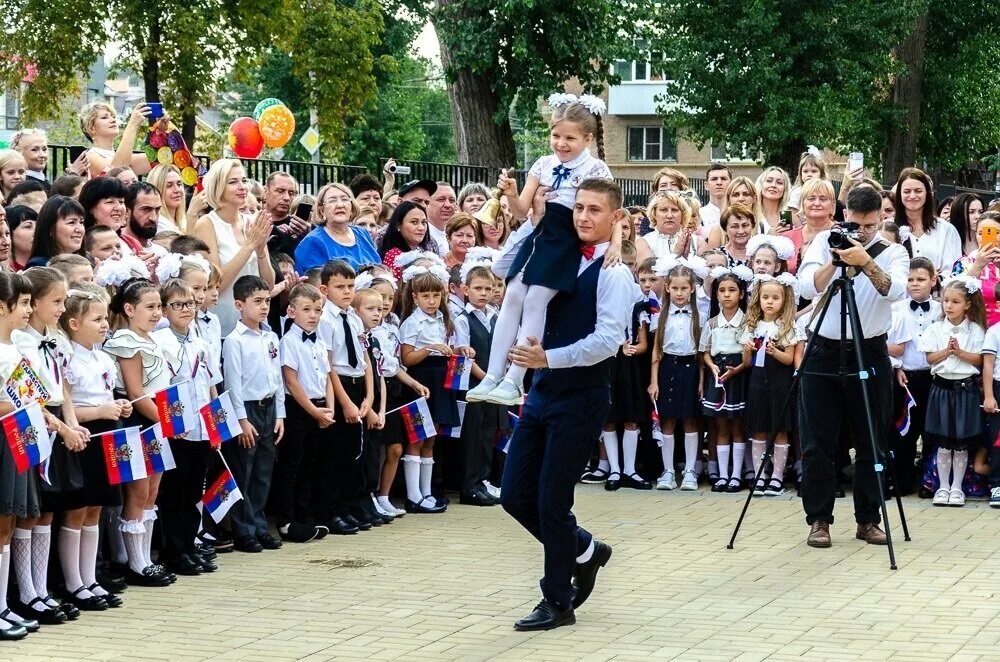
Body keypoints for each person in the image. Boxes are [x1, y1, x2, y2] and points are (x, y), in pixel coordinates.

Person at [499, 178, 635, 631]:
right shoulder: (555, 252)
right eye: (577, 208)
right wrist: (532, 223)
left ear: (615, 219)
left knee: (552, 500)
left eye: (595, 210)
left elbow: (608, 340)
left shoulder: (614, 273)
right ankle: (584, 549)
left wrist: (548, 358)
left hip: (582, 396)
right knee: (515, 495)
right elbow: (502, 268)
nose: (582, 217)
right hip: (540, 393)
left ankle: (558, 600)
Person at [466, 93, 616, 407]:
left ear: (587, 138)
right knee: (512, 297)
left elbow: (613, 212)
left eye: (570, 138)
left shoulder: (596, 168)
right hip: (538, 233)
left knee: (535, 300)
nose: (561, 143)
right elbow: (522, 211)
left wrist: (614, 244)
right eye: (555, 135)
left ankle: (515, 379)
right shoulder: (543, 164)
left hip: (564, 238)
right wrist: (510, 194)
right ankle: (493, 373)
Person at [797, 186, 909, 548]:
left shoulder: (893, 251)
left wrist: (865, 260)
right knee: (817, 441)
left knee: (871, 441)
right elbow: (806, 286)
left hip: (870, 349)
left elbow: (894, 291)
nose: (861, 232)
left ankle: (868, 519)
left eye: (869, 226)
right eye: (855, 225)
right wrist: (836, 259)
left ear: (881, 220)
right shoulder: (822, 243)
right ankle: (818, 520)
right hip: (823, 349)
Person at [102, 278, 173, 586]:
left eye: (159, 306)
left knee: (152, 492)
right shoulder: (125, 341)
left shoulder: (152, 338)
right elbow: (135, 392)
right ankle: (134, 562)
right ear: (129, 309)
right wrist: (165, 422)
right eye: (149, 307)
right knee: (137, 491)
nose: (156, 313)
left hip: (157, 421)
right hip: (137, 422)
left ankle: (145, 558)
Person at [152, 277, 219, 574]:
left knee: (195, 489)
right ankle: (173, 550)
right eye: (177, 305)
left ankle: (190, 543)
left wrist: (216, 426)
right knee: (174, 491)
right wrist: (170, 421)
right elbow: (162, 387)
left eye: (190, 303)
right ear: (165, 310)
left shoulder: (200, 340)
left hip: (203, 425)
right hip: (178, 427)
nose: (185, 309)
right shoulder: (160, 342)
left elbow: (211, 385)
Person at [222, 275, 285, 553]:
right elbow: (233, 384)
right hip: (247, 410)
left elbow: (277, 378)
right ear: (239, 304)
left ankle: (259, 525)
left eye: (267, 301)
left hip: (269, 406)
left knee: (263, 471)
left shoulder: (270, 336)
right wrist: (241, 420)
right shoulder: (234, 341)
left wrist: (280, 414)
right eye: (257, 301)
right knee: (243, 472)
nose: (263, 307)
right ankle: (243, 530)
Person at [399, 266, 467, 513]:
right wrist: (430, 348)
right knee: (417, 436)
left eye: (436, 295)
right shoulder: (411, 322)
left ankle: (426, 492)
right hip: (422, 381)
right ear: (415, 296)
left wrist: (458, 352)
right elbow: (407, 359)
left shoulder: (442, 319)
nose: (431, 301)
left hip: (441, 382)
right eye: (425, 296)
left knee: (431, 437)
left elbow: (446, 350)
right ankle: (413, 495)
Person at [316, 260, 376, 529]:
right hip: (338, 388)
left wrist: (369, 397)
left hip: (356, 384)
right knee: (335, 456)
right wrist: (346, 403)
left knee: (355, 453)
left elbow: (364, 357)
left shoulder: (352, 316)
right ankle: (331, 510)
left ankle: (352, 505)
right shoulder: (325, 319)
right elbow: (328, 366)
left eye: (351, 286)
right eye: (339, 287)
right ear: (325, 289)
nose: (347, 292)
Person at [275, 283, 335, 541]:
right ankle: (286, 520)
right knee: (293, 465)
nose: (313, 315)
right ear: (291, 311)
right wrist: (314, 411)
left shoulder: (319, 341)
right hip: (299, 409)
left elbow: (327, 376)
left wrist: (328, 410)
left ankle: (305, 515)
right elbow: (291, 381)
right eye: (307, 309)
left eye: (318, 310)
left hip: (320, 407)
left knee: (311, 465)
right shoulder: (288, 341)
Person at [919, 276, 986, 507]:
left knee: (961, 442)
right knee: (944, 442)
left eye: (955, 301)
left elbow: (978, 359)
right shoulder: (936, 329)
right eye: (946, 300)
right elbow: (929, 358)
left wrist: (959, 353)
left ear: (967, 304)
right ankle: (942, 487)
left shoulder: (976, 330)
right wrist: (946, 351)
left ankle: (957, 487)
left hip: (965, 388)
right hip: (942, 387)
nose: (949, 305)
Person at [193, 159, 275, 335]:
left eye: (244, 180)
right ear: (218, 187)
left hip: (255, 327)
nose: (242, 186)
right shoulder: (206, 224)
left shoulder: (252, 222)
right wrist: (250, 245)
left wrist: (260, 252)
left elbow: (268, 285)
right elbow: (215, 285)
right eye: (233, 182)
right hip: (223, 326)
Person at [740, 274, 803, 496]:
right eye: (765, 297)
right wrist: (747, 348)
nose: (769, 301)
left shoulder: (787, 327)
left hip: (780, 382)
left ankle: (777, 477)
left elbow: (789, 359)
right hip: (757, 382)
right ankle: (759, 475)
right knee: (758, 428)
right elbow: (747, 363)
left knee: (779, 429)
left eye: (775, 298)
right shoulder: (752, 326)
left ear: (784, 301)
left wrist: (774, 351)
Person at [0, 271, 36, 640]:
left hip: (20, 437)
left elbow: (33, 398)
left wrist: (61, 427)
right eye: (23, 303)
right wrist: (13, 406)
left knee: (9, 523)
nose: (28, 309)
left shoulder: (18, 346)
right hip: (4, 436)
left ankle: (3, 604)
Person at [649, 257, 705, 491]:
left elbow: (702, 352)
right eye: (675, 288)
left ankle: (690, 469)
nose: (679, 293)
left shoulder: (698, 315)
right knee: (668, 420)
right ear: (668, 288)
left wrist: (702, 380)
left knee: (690, 419)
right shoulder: (661, 315)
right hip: (667, 368)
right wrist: (653, 381)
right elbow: (656, 350)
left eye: (684, 288)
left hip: (691, 368)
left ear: (692, 289)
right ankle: (668, 470)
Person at [458, 262, 506, 505]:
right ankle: (470, 486)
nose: (484, 293)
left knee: (488, 433)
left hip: (493, 386)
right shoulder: (463, 319)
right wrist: (487, 378)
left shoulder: (495, 316)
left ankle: (483, 481)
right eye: (478, 288)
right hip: (475, 386)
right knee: (473, 436)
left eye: (488, 289)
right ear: (466, 290)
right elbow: (465, 357)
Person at [701, 265, 752, 492]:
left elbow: (748, 357)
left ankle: (736, 476)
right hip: (718, 375)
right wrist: (712, 367)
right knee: (720, 426)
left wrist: (736, 369)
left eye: (732, 290)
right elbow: (705, 352)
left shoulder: (747, 322)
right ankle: (722, 476)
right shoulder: (711, 323)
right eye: (722, 290)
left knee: (737, 427)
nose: (727, 294)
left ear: (741, 294)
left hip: (737, 374)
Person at [294, 183, 379, 272]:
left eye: (344, 199)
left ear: (352, 207)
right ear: (322, 210)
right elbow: (313, 281)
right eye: (332, 200)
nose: (340, 205)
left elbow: (378, 267)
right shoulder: (313, 241)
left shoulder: (363, 234)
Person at [894, 167, 961, 274]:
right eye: (907, 191)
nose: (912, 196)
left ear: (927, 193)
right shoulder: (889, 227)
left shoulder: (946, 230)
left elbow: (953, 271)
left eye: (918, 191)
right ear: (899, 194)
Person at [78, 101, 152, 178]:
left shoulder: (123, 158)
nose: (113, 120)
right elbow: (117, 174)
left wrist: (160, 131)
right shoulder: (89, 157)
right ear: (91, 128)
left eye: (113, 116)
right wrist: (132, 125)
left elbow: (158, 159)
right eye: (104, 117)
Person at [635, 191, 700, 263]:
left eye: (674, 210)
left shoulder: (698, 242)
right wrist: (676, 254)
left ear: (683, 215)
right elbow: (648, 273)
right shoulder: (643, 243)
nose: (669, 215)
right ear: (654, 214)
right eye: (664, 210)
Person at [379, 201, 434, 279]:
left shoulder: (426, 252)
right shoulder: (394, 256)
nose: (421, 228)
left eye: (424, 222)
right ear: (398, 225)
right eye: (414, 222)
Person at [28, 196, 86, 267]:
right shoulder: (39, 266)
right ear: (50, 228)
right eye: (71, 222)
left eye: (81, 222)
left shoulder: (84, 262)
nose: (79, 229)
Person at [146, 165, 187, 234]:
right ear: (157, 190)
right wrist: (192, 214)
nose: (177, 190)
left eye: (179, 184)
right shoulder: (158, 224)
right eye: (169, 186)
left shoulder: (183, 221)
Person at [426, 182, 457, 256]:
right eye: (441, 199)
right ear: (427, 203)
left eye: (452, 200)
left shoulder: (457, 233)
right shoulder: (421, 234)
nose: (448, 205)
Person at [700, 163, 732, 232]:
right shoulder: (699, 215)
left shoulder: (739, 213)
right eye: (714, 179)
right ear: (706, 185)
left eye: (723, 179)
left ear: (731, 184)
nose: (719, 182)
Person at [6, 205, 37, 271]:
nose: (36, 231)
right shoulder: (5, 271)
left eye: (38, 226)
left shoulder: (47, 263)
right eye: (28, 226)